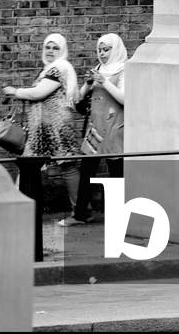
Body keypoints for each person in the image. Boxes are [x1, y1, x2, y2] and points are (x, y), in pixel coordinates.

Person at [3, 32, 81, 210]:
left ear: (62, 50)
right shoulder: (50, 68)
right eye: (48, 47)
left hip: (56, 128)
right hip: (44, 128)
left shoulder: (58, 67)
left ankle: (80, 211)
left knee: (66, 166)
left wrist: (16, 91)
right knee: (31, 165)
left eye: (55, 48)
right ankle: (22, 207)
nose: (50, 51)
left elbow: (40, 92)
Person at [58, 32, 128, 226]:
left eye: (107, 49)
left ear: (116, 49)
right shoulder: (97, 69)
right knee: (87, 171)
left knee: (116, 173)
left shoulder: (124, 70)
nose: (102, 53)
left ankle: (118, 217)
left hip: (115, 127)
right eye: (100, 49)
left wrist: (104, 82)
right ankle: (80, 214)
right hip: (94, 128)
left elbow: (126, 99)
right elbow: (78, 100)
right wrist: (87, 84)